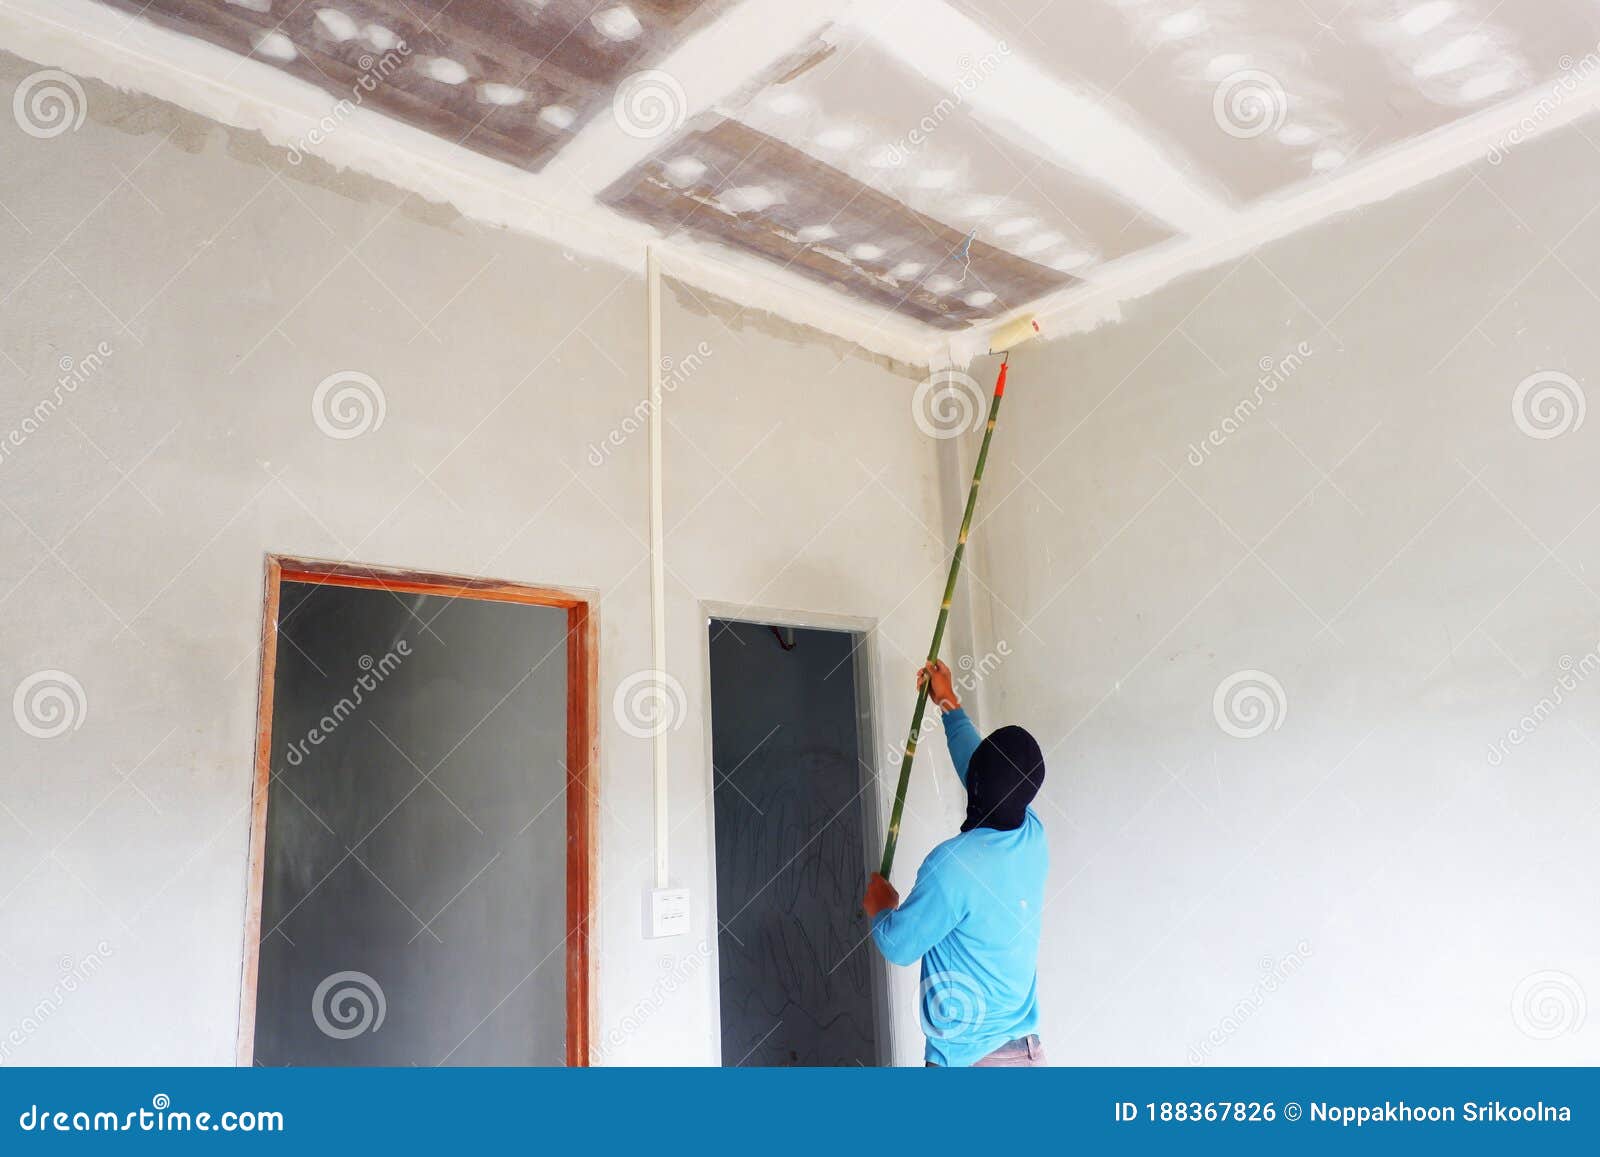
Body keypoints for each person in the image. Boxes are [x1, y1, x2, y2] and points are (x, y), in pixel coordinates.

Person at [863, 659, 1049, 1067]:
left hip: (969, 1062)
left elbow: (898, 945)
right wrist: (947, 702)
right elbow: (985, 772)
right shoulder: (1032, 835)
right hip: (1027, 1056)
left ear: (978, 784)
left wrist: (881, 906)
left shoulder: (951, 866)